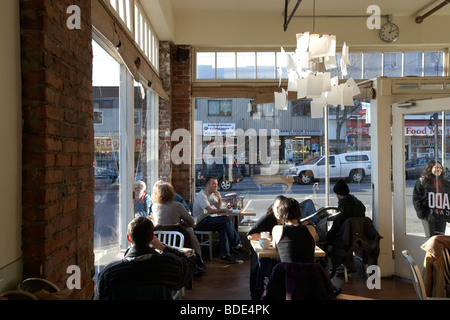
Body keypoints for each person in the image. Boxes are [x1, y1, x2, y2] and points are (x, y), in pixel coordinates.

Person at [96, 216, 196, 300]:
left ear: (128, 238)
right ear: (152, 237)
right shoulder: (168, 266)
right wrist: (163, 247)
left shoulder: (109, 273)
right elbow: (190, 263)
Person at [192, 176, 250, 263]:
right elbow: (211, 211)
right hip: (200, 223)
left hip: (207, 220)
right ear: (207, 185)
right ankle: (237, 245)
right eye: (213, 184)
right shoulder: (202, 195)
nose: (216, 186)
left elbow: (218, 208)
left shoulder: (211, 195)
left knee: (223, 226)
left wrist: (219, 197)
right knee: (225, 220)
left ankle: (225, 255)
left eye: (216, 184)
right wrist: (224, 210)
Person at [151, 182, 203, 263]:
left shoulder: (154, 206)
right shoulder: (177, 205)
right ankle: (198, 260)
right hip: (176, 238)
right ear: (171, 192)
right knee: (191, 233)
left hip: (160, 238)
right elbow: (192, 222)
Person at [247, 195, 286, 300]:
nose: (278, 211)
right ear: (273, 208)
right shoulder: (268, 218)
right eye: (277, 207)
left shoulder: (287, 219)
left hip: (279, 252)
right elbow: (250, 235)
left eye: (281, 208)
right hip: (266, 253)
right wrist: (270, 237)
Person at [272, 197, 316, 263]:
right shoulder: (311, 229)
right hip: (308, 271)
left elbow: (276, 249)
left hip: (287, 271)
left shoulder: (277, 229)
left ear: (281, 213)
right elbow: (312, 248)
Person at [413, 160, 450, 237]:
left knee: (440, 239)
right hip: (429, 215)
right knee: (430, 239)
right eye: (436, 167)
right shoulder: (422, 181)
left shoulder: (445, 182)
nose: (438, 169)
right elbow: (417, 199)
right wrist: (422, 214)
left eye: (440, 168)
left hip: (442, 215)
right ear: (430, 168)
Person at [326, 179, 366, 245]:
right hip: (360, 235)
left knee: (328, 237)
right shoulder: (358, 203)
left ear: (339, 195)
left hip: (346, 237)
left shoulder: (343, 206)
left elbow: (337, 225)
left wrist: (327, 235)